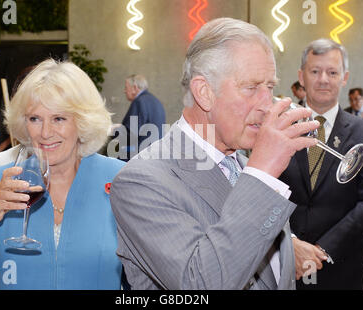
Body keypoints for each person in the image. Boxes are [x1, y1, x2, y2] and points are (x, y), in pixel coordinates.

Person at [110, 18, 319, 290]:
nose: (268, 105)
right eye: (251, 87)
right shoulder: (141, 180)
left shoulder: (246, 166)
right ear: (204, 92)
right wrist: (263, 173)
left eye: (269, 87)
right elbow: (202, 284)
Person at [0, 59, 125, 289]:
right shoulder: (5, 181)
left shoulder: (117, 179)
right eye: (34, 119)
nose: (45, 132)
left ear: (82, 122)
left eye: (59, 118)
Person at [279, 39, 363, 290]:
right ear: (301, 76)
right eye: (315, 71)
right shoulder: (279, 128)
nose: (323, 79)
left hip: (342, 269)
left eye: (332, 72)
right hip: (284, 265)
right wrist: (291, 243)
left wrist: (320, 251)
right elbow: (263, 191)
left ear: (344, 77)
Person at [117, 74, 166, 161]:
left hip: (136, 156)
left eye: (126, 87)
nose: (124, 91)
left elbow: (130, 133)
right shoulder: (156, 101)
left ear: (135, 88)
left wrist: (114, 130)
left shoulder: (139, 102)